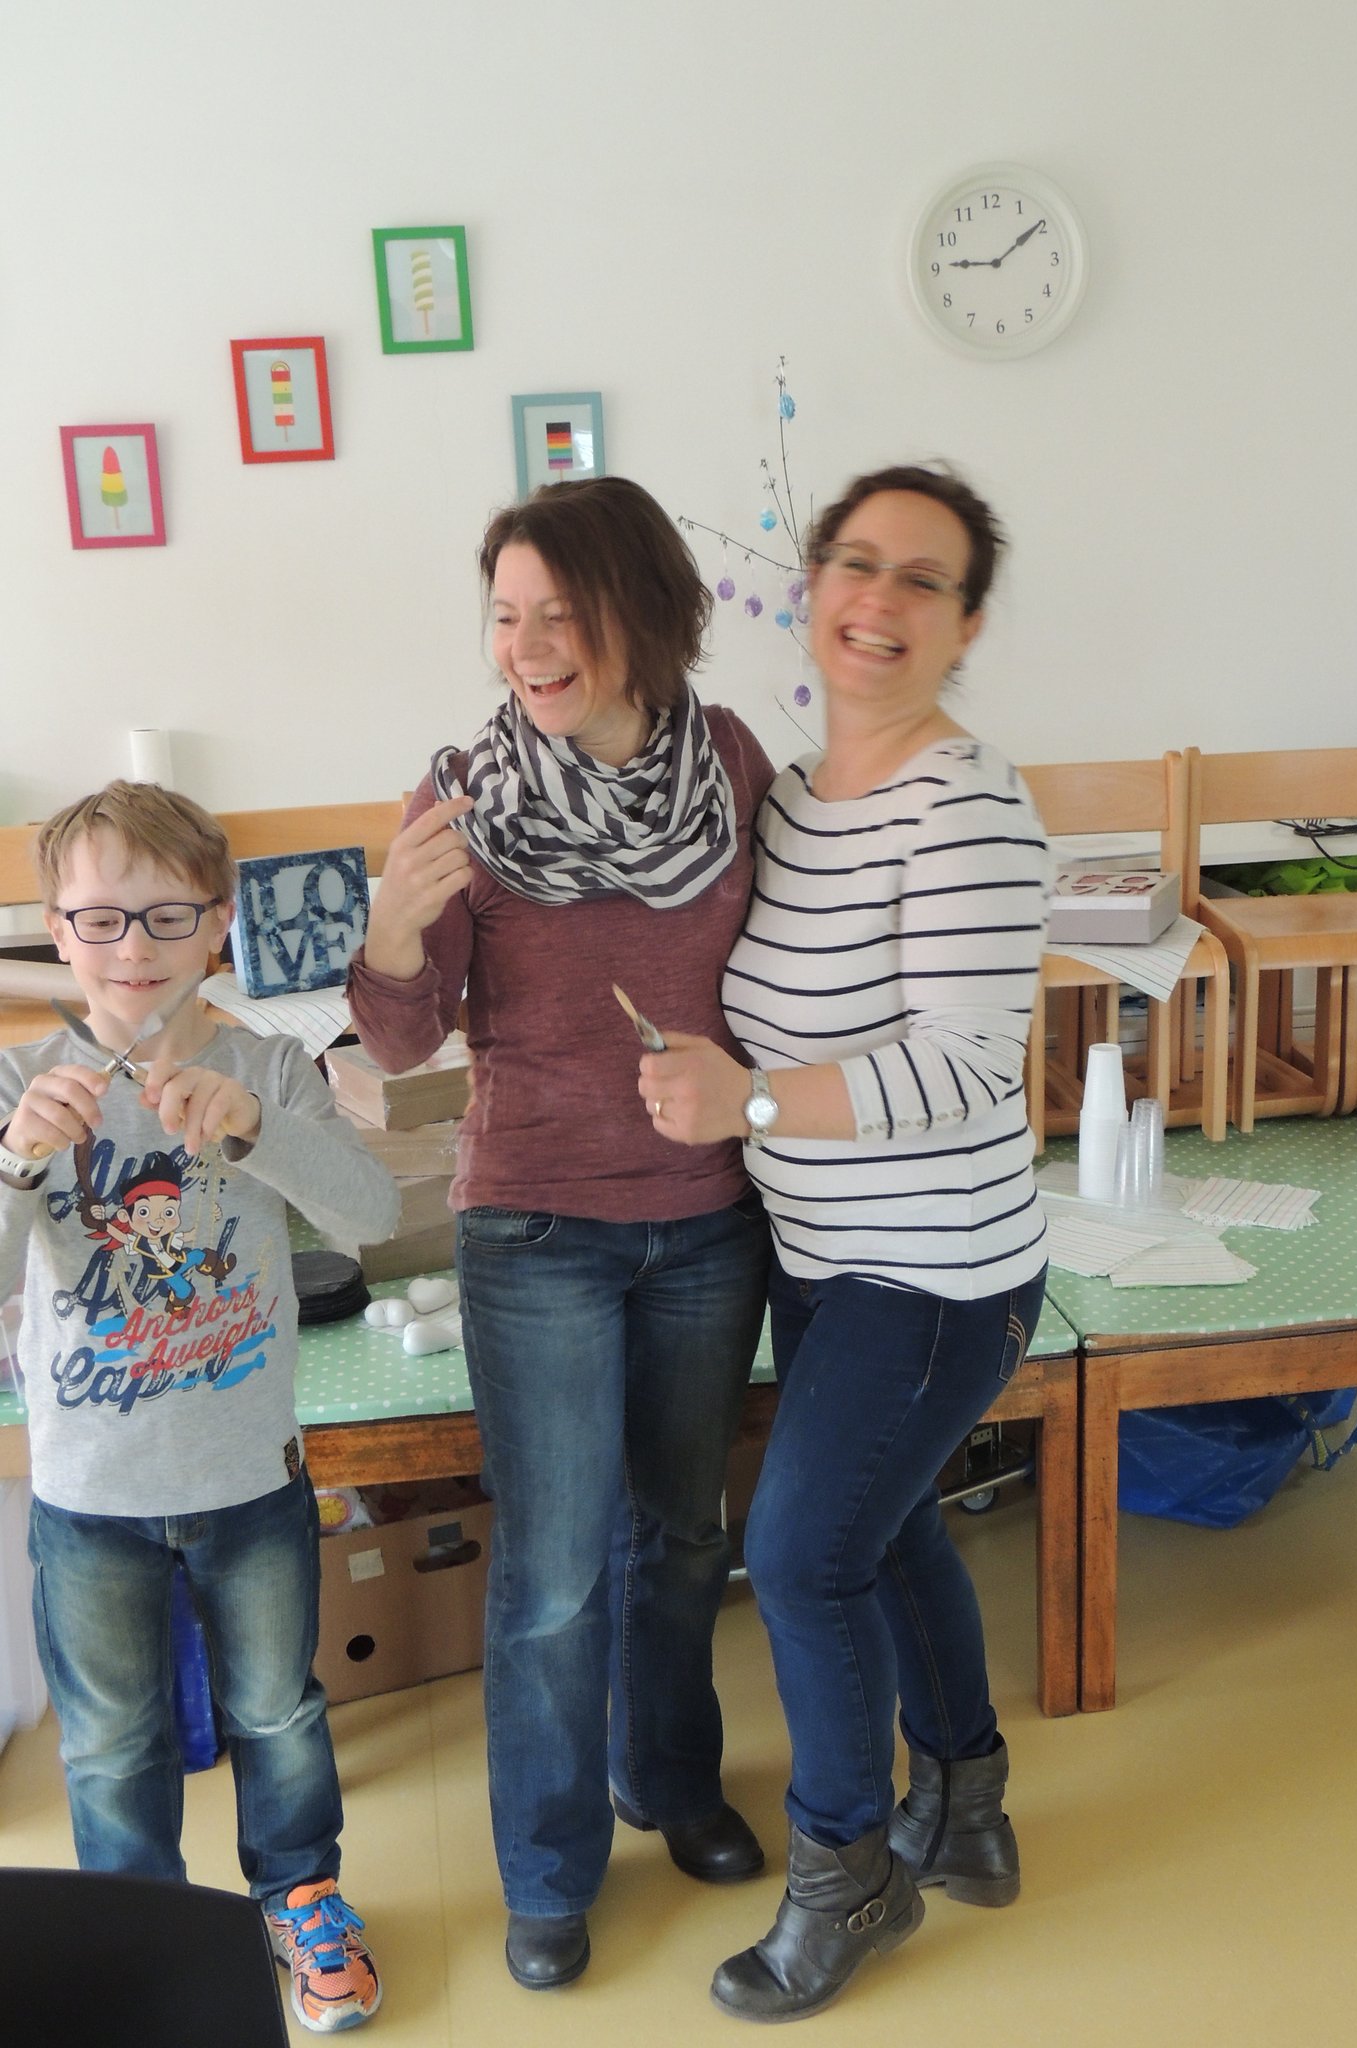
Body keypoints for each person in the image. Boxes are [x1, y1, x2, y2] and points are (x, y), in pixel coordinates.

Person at [346, 475, 775, 1992]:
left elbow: (784, 962)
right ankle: (545, 1868)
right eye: (505, 616)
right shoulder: (463, 796)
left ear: (643, 615)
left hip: (709, 1222)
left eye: (560, 614)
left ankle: (668, 1779)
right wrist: (393, 923)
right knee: (556, 1572)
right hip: (537, 1228)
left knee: (684, 1536)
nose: (525, 646)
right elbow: (399, 1043)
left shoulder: (731, 765)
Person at [638, 463, 1051, 2022]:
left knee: (805, 1559)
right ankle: (970, 1811)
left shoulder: (970, 809)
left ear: (968, 625)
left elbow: (966, 1064)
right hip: (824, 1256)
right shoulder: (796, 795)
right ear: (809, 588)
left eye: (922, 580)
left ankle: (848, 1873)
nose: (878, 601)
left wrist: (747, 1104)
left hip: (938, 1275)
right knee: (891, 1533)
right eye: (855, 563)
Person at [0, 781, 400, 2035]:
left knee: (279, 1709)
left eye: (168, 915)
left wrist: (257, 1129)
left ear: (219, 923)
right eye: (101, 918)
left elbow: (371, 1212)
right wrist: (14, 1159)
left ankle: (301, 1893)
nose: (135, 948)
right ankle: (140, 1935)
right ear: (58, 930)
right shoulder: (17, 1075)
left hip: (251, 1476)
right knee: (110, 1743)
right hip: (89, 1493)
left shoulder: (268, 1064)